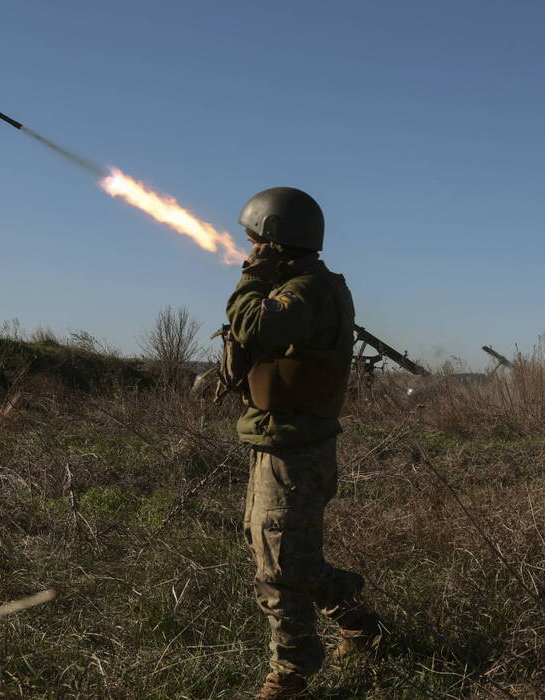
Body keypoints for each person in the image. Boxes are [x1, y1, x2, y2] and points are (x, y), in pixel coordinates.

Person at [225, 187, 383, 699]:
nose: (246, 250)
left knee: (278, 566)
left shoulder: (305, 290)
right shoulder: (304, 284)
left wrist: (251, 280)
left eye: (253, 242)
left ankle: (289, 676)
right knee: (279, 550)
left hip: (294, 448)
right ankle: (358, 622)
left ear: (274, 241)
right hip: (280, 442)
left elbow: (253, 325)